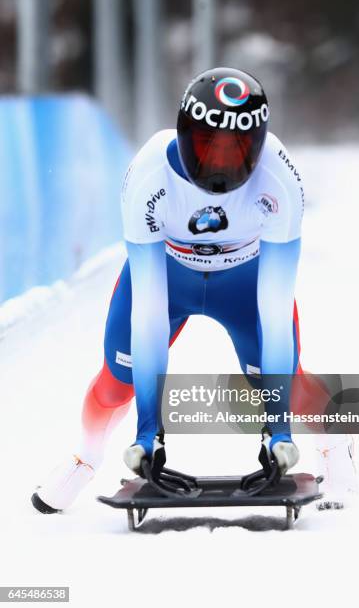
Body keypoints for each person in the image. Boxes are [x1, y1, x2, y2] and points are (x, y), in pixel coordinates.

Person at [32, 67, 306, 514]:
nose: (218, 163)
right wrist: (147, 433)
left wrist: (279, 430)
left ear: (258, 147)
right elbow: (149, 314)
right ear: (182, 134)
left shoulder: (280, 179)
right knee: (116, 382)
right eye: (206, 146)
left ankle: (335, 447)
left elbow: (274, 314)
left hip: (244, 280)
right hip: (168, 276)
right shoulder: (148, 174)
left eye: (235, 150)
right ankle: (86, 456)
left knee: (281, 381)